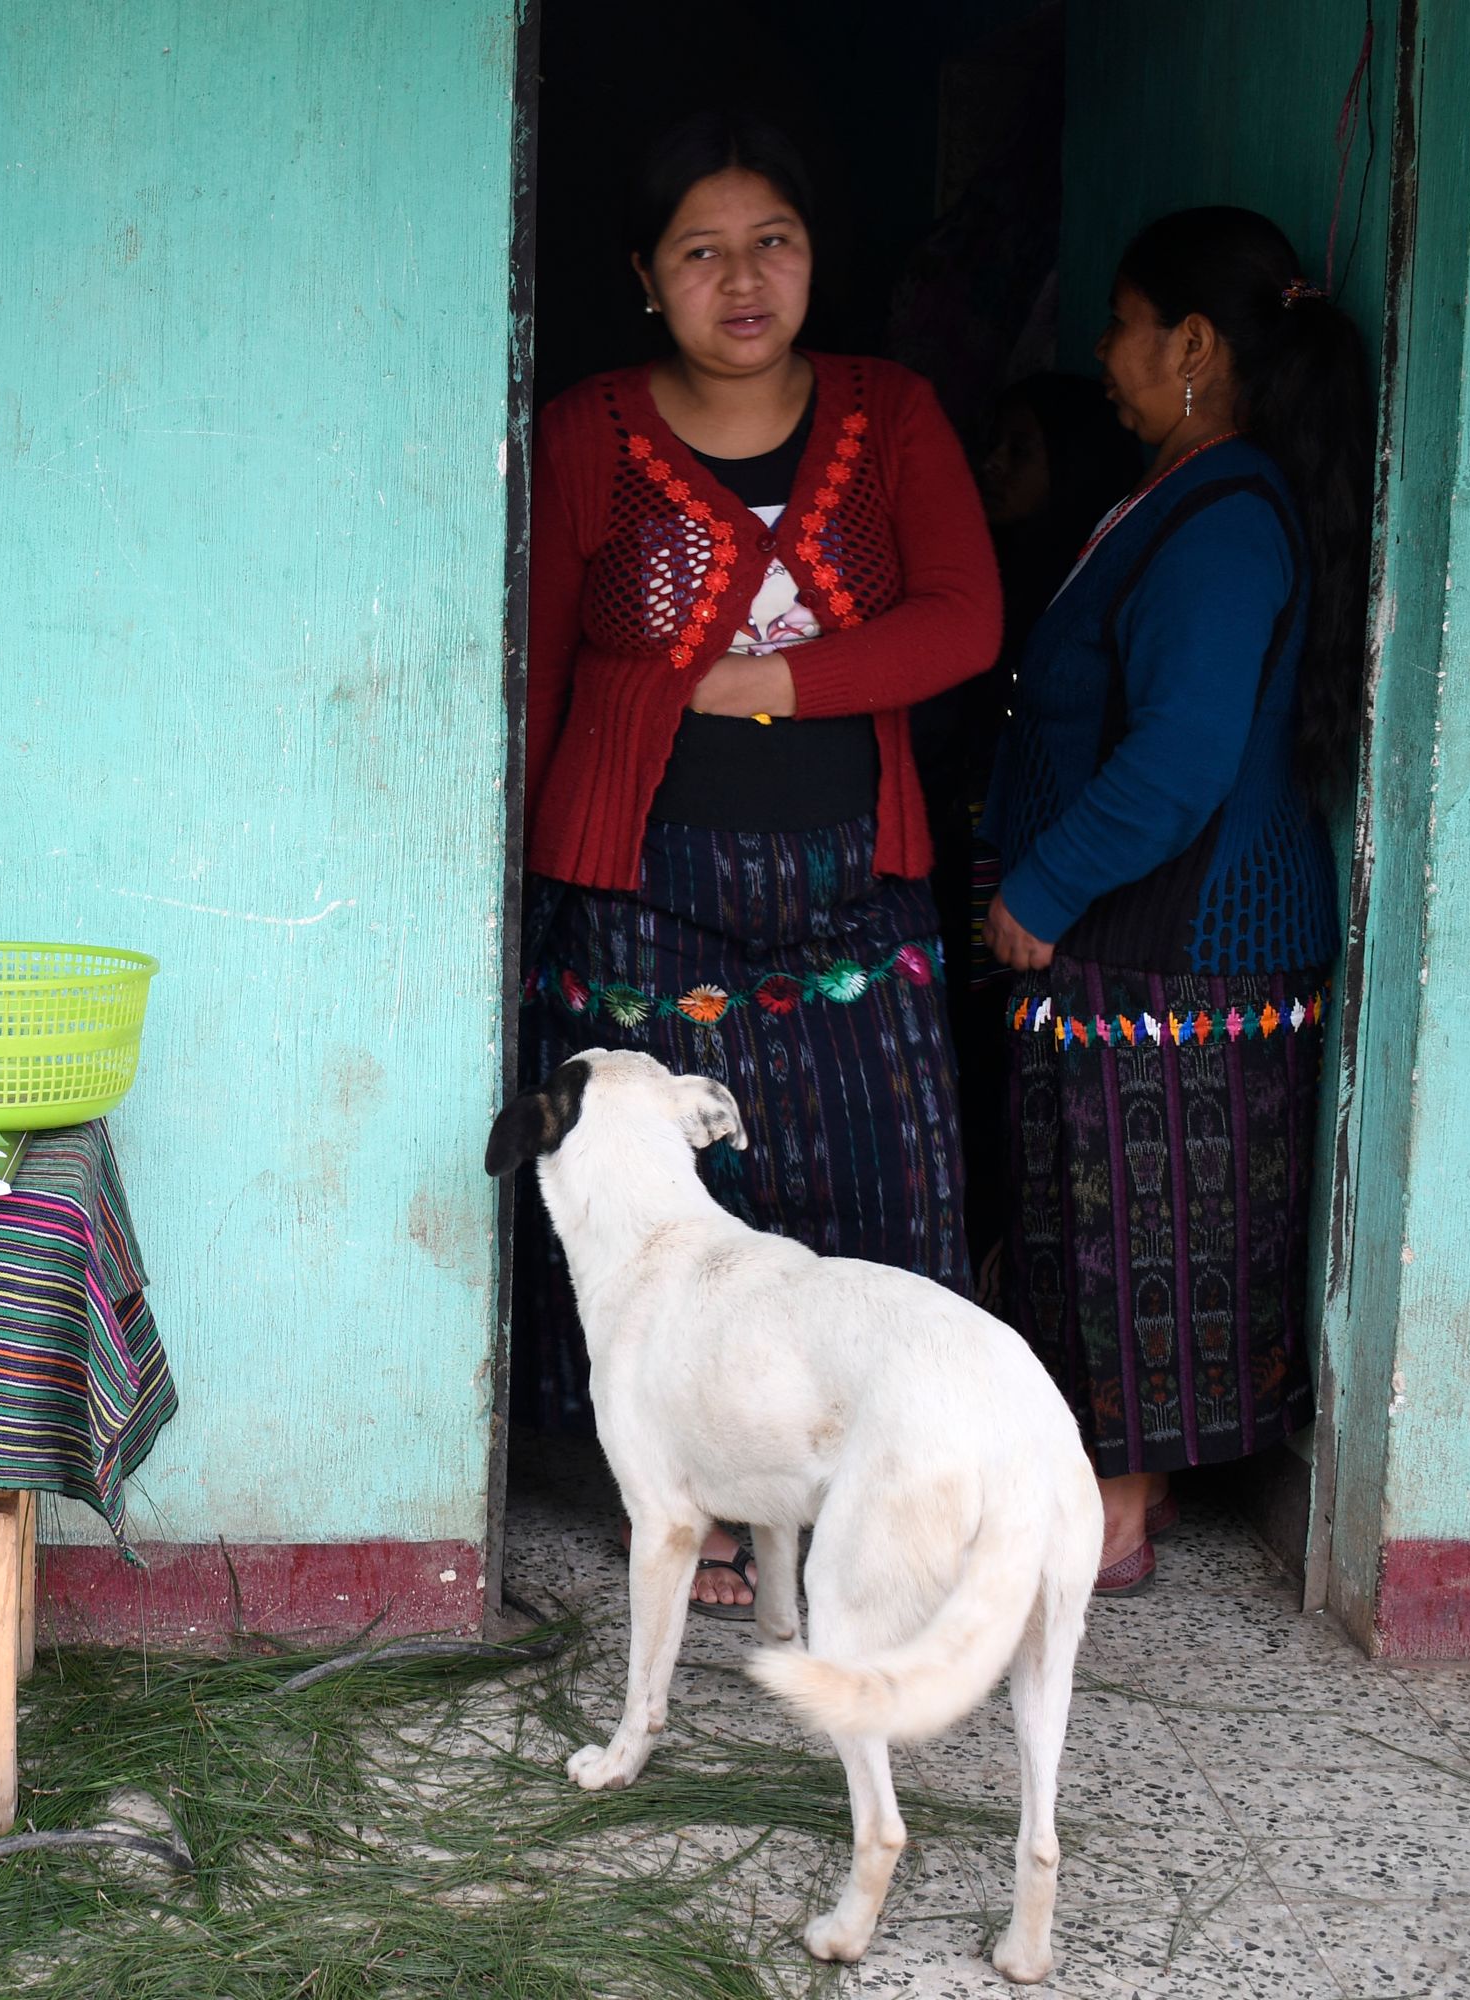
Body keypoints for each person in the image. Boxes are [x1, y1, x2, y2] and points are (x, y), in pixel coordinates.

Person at [516, 111, 1001, 1612]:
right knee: (667, 1211)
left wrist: (769, 681)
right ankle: (688, 1489)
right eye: (702, 252)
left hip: (855, 877)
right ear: (645, 279)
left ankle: (893, 1490)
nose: (744, 281)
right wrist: (518, 865)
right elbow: (535, 658)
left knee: (879, 1180)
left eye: (772, 243)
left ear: (815, 254)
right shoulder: (591, 432)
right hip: (645, 885)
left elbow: (964, 620)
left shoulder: (892, 412)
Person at [983, 207, 1372, 1593]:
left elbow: (1182, 759)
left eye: (1120, 322)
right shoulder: (1188, 495)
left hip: (1177, 945)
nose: (1102, 354)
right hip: (1157, 947)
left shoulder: (1224, 522)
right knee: (1107, 1224)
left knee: (1143, 1230)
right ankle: (1097, 1493)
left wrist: (1041, 885)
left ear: (1194, 342)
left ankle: (1120, 1513)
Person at [914, 375, 1143, 1283]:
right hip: (966, 845)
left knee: (995, 1036)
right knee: (963, 1039)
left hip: (1020, 867)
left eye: (1022, 448)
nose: (991, 465)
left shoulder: (1074, 584)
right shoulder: (972, 571)